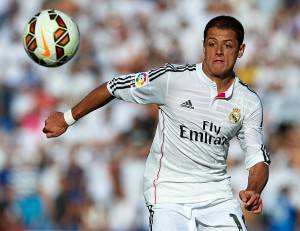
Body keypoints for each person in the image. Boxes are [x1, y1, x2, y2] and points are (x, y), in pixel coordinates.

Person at [43, 15, 270, 231]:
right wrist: (67, 118)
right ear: (203, 46)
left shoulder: (247, 101)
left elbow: (257, 158)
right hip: (167, 195)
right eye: (212, 44)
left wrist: (254, 189)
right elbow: (113, 86)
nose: (218, 52)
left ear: (240, 50)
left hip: (217, 197)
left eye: (228, 45)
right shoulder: (172, 79)